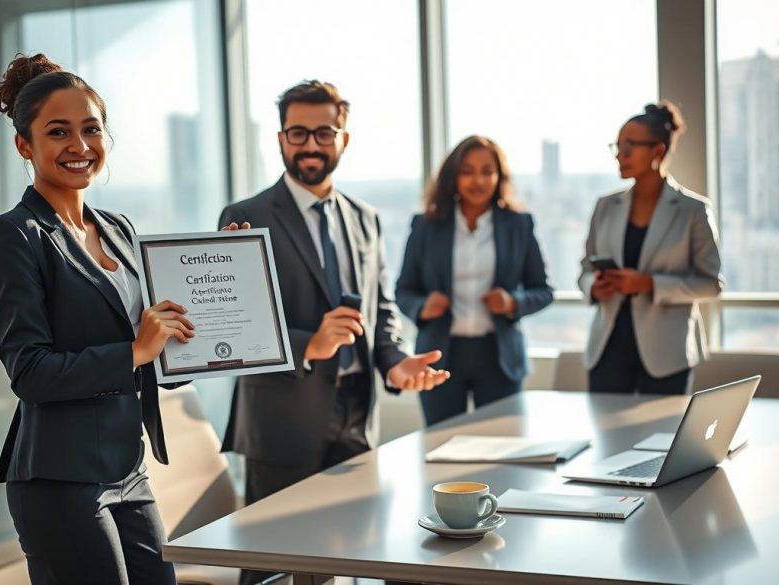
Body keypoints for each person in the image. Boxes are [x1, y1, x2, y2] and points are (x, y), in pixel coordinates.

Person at [218, 80, 450, 585]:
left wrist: (396, 363)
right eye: (297, 133)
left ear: (343, 139)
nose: (310, 145)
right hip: (282, 417)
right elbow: (235, 326)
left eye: (324, 133)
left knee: (340, 561)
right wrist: (309, 344)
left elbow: (381, 309)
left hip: (355, 414)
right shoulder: (244, 217)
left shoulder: (364, 218)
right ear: (280, 139)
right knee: (270, 564)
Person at [0, 53, 192, 584]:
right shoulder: (13, 236)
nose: (79, 145)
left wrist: (222, 291)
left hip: (129, 468)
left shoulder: (118, 227)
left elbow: (154, 346)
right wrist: (135, 351)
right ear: (24, 145)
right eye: (58, 132)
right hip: (59, 478)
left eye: (91, 129)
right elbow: (30, 372)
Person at [396, 135, 553, 425]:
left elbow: (543, 291)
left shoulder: (519, 224)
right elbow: (404, 290)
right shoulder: (426, 226)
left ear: (499, 176)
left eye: (487, 171)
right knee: (441, 447)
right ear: (453, 177)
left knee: (502, 451)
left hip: (499, 358)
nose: (477, 180)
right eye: (467, 171)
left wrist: (512, 302)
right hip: (441, 355)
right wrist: (423, 306)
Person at [579, 101, 723, 395]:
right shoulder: (605, 206)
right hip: (607, 348)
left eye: (630, 147)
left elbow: (711, 285)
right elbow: (584, 271)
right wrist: (594, 287)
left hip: (666, 354)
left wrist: (648, 284)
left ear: (657, 151)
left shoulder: (692, 210)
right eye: (617, 146)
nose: (621, 155)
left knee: (663, 437)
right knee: (606, 439)